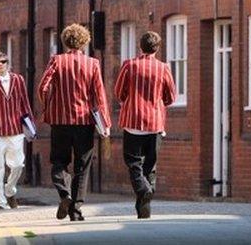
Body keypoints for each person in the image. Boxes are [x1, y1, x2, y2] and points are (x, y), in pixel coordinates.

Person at [38, 23, 111, 221]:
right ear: (84, 42)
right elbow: (100, 95)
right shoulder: (93, 64)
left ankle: (64, 194)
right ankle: (76, 211)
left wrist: (49, 106)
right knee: (82, 166)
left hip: (60, 121)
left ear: (65, 42)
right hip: (84, 122)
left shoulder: (56, 61)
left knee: (59, 162)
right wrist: (105, 123)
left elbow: (43, 87)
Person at [113, 31, 177, 219]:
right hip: (155, 124)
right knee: (150, 165)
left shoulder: (129, 66)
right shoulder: (164, 68)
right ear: (157, 48)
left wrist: (131, 101)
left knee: (133, 163)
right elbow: (171, 97)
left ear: (140, 46)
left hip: (133, 122)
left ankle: (144, 189)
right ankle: (145, 207)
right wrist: (157, 104)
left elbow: (119, 92)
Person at [0, 51, 32, 210]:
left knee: (18, 164)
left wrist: (30, 125)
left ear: (7, 63)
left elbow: (25, 102)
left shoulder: (19, 80)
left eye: (3, 61)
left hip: (16, 129)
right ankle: (0, 202)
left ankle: (10, 190)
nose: (1, 64)